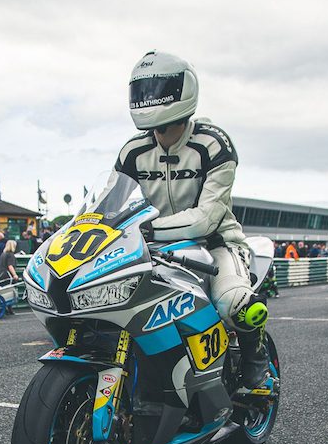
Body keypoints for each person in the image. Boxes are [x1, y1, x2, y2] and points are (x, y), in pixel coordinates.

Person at [114, 50, 269, 393]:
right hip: (150, 247)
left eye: (156, 90)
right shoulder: (132, 152)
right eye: (142, 91)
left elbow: (206, 218)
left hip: (216, 243)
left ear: (182, 91)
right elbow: (109, 203)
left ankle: (256, 363)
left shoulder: (212, 143)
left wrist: (145, 227)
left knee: (234, 303)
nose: (148, 99)